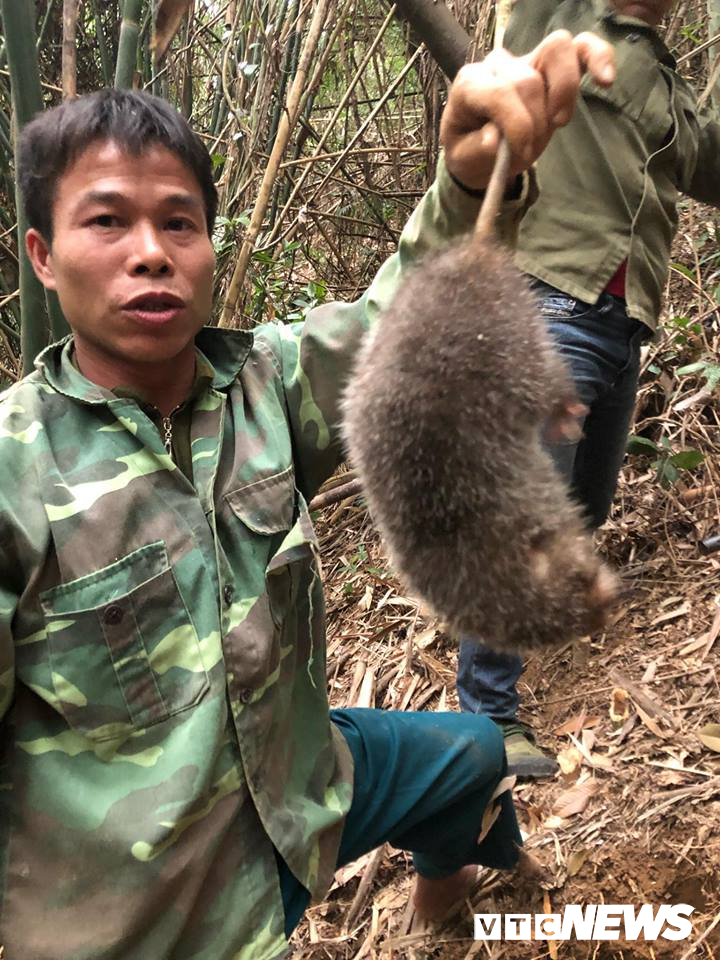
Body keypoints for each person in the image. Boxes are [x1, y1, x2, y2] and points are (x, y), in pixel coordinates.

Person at [0, 33, 613, 959]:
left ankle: (448, 910)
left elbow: (399, 323)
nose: (151, 253)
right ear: (42, 256)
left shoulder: (267, 387)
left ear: (210, 244)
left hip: (301, 793)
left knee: (471, 755)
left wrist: (470, 177)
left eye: (178, 222)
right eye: (107, 222)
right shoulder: (15, 472)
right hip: (154, 917)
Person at [457, 0, 720, 779]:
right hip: (547, 305)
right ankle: (487, 722)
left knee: (587, 505)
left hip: (621, 324)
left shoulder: (669, 84)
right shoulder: (557, 19)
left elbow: (714, 167)